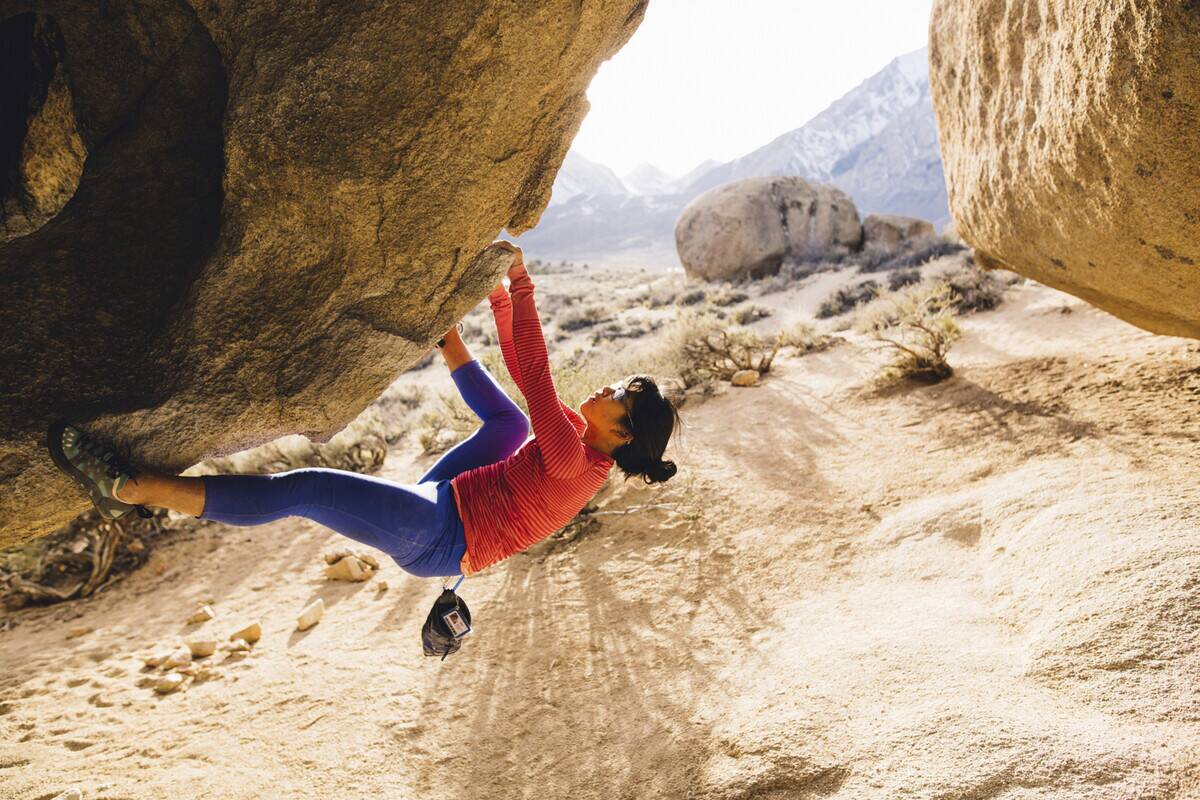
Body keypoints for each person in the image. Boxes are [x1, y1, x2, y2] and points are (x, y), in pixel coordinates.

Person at [46, 243, 682, 579]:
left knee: (303, 487)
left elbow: (537, 376)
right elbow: (523, 374)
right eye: (620, 385)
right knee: (512, 425)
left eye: (620, 396)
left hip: (441, 537)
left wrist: (520, 284)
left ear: (623, 433)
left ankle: (135, 488)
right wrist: (493, 298)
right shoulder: (579, 439)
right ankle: (445, 337)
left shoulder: (575, 460)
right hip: (450, 498)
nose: (605, 391)